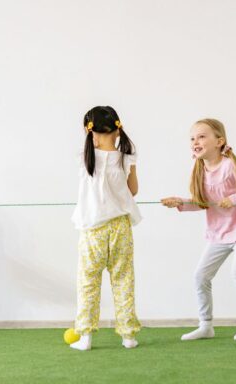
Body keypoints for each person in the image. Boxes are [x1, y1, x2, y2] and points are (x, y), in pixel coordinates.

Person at [162, 118, 236, 343]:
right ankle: (206, 326)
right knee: (200, 277)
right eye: (192, 138)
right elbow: (203, 203)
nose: (195, 142)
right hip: (218, 235)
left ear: (219, 141)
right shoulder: (199, 169)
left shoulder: (230, 165)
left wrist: (235, 198)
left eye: (202, 136)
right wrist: (180, 202)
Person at [70, 106, 141, 351]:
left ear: (90, 131)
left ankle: (86, 337)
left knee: (88, 281)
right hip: (120, 227)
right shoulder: (127, 156)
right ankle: (129, 336)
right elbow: (133, 191)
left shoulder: (85, 158)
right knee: (123, 279)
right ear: (117, 128)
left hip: (93, 230)